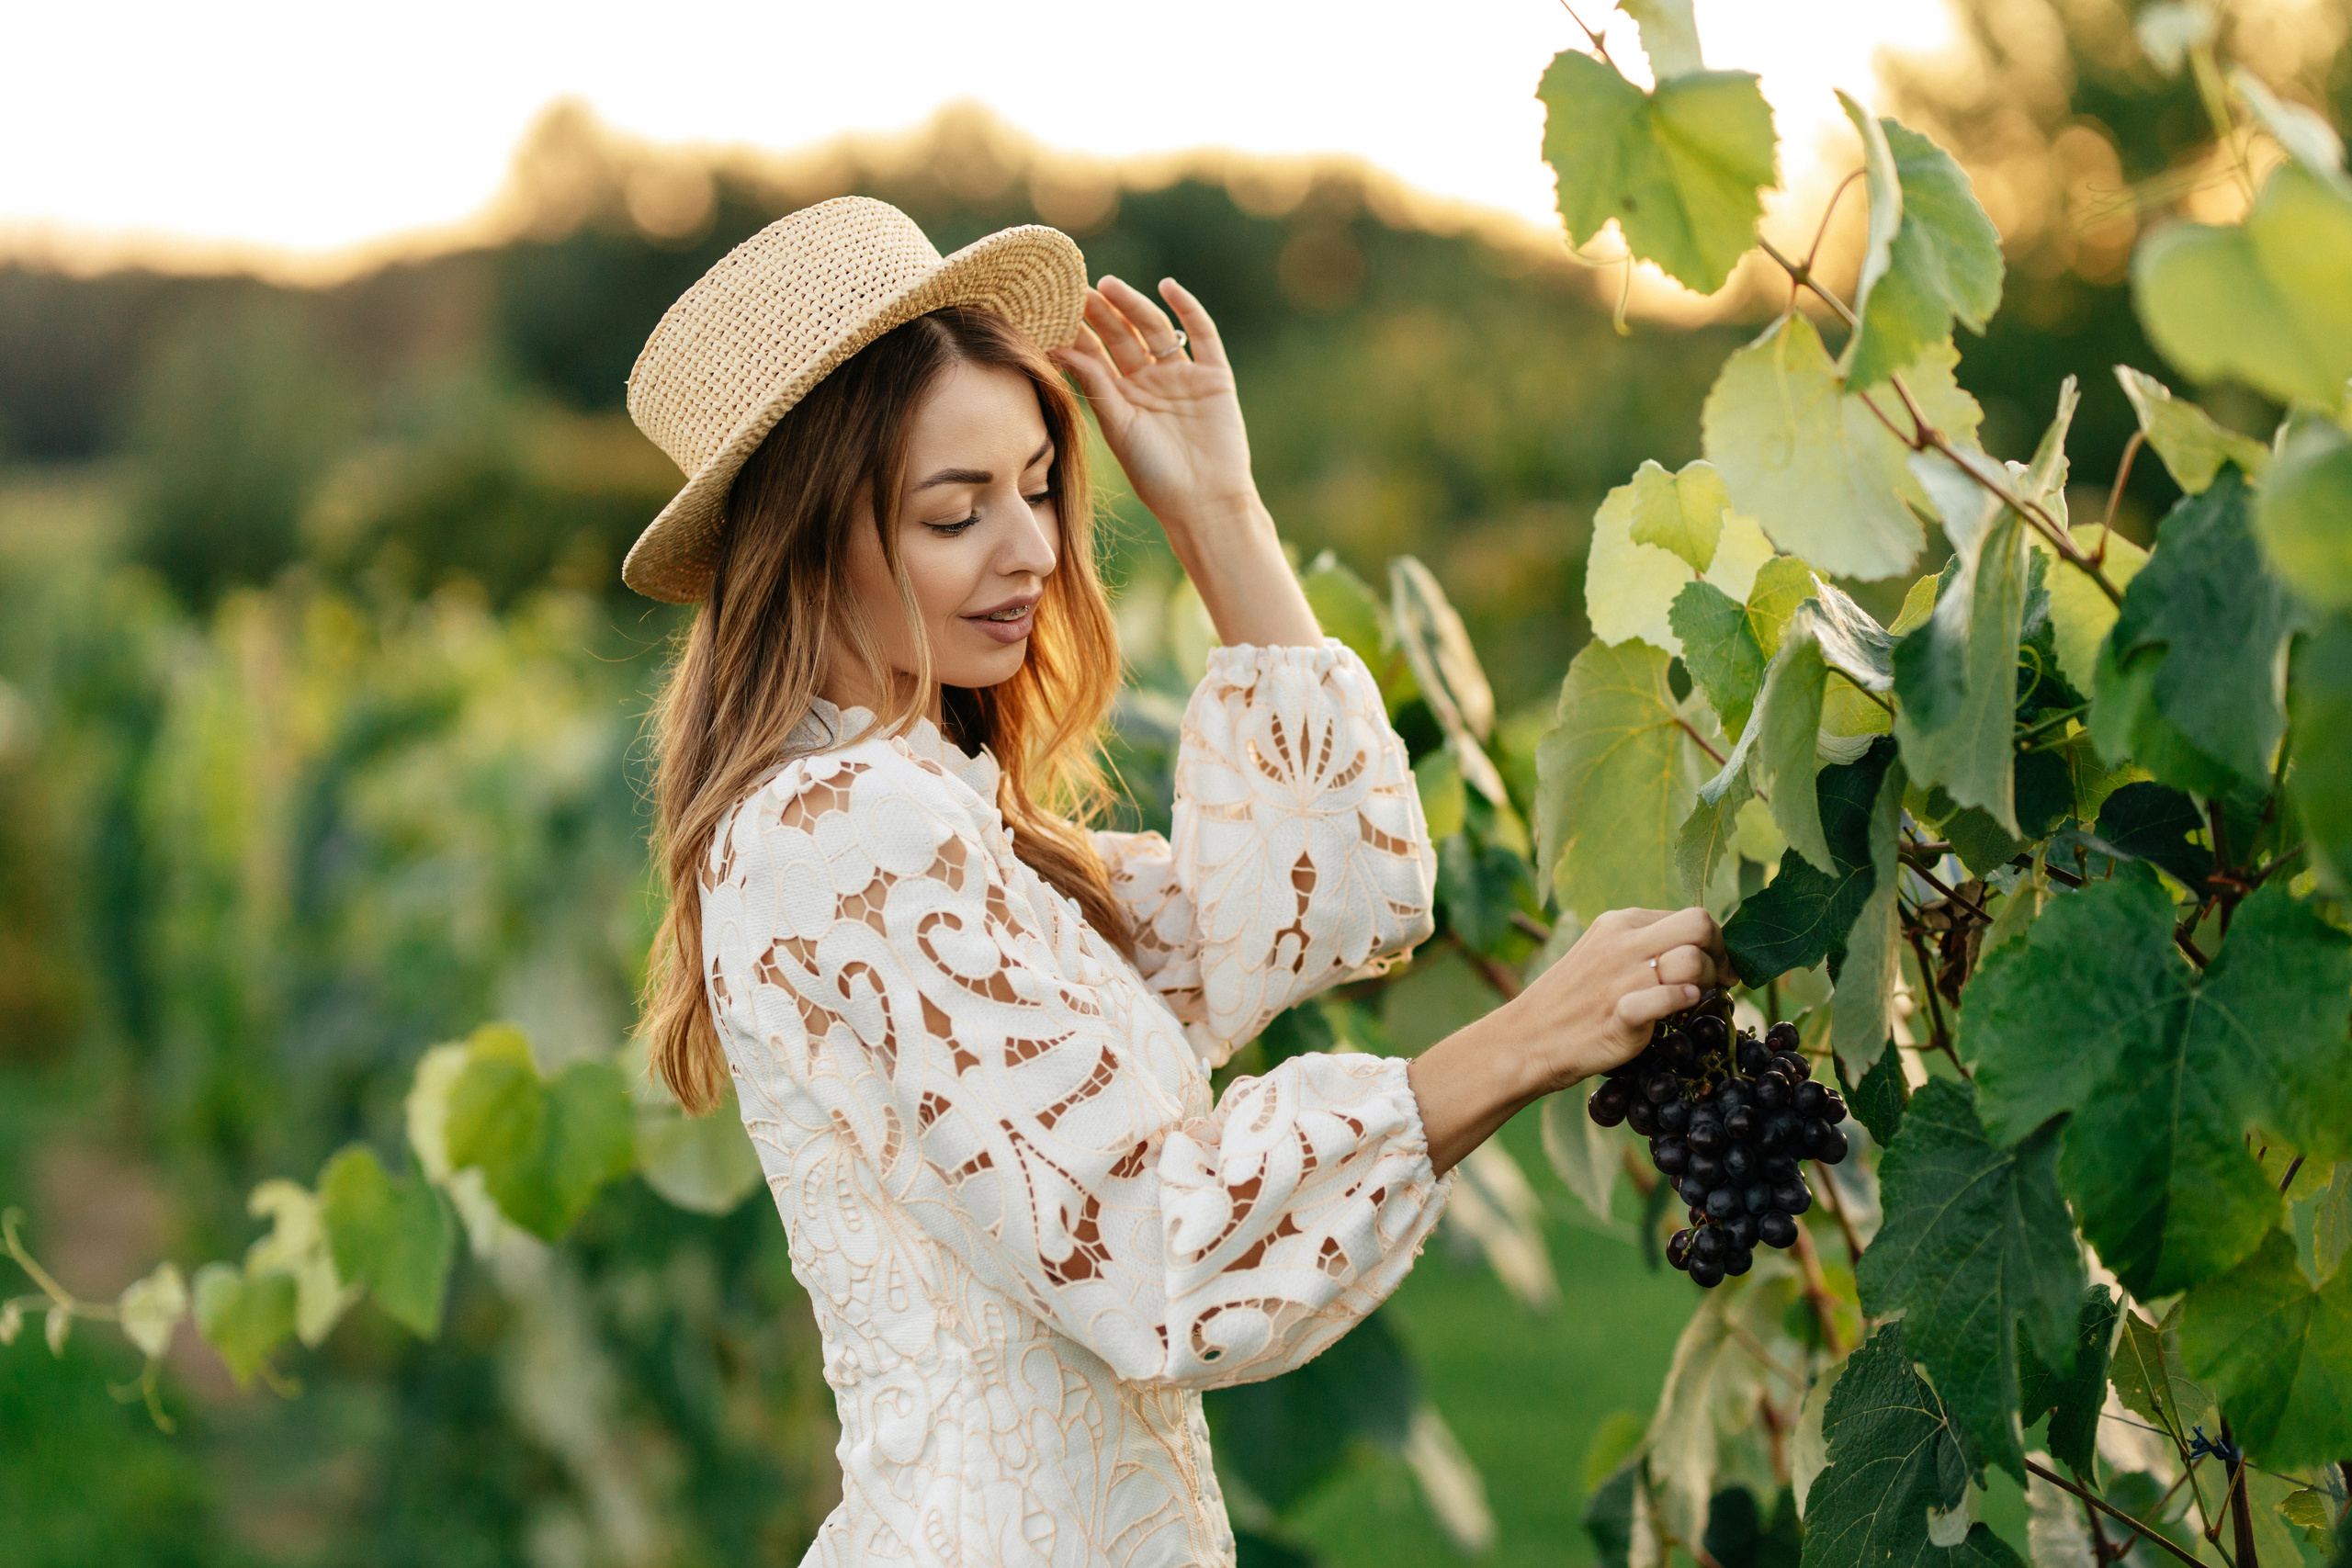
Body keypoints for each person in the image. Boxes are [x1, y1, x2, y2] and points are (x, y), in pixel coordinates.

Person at [625, 197, 1731, 1568]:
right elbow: (1156, 1255)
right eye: (955, 513)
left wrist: (1219, 511)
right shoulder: (842, 836)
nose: (1031, 549)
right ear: (806, 546)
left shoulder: (943, 819)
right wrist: (1525, 1039)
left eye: (1036, 487)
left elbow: (1314, 905)